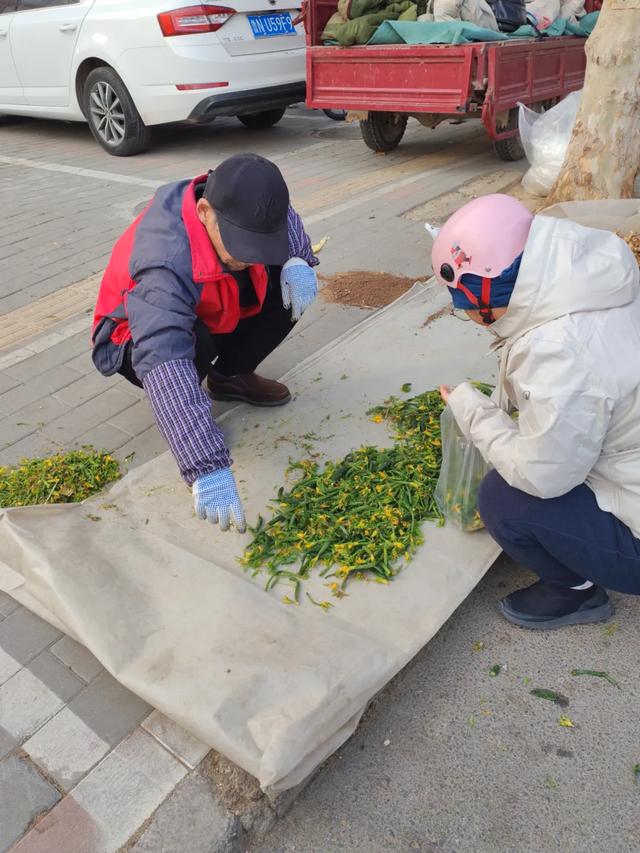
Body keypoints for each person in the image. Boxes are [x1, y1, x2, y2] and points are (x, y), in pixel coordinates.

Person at [431, 193, 640, 630]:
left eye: (466, 308)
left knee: (502, 498)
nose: (470, 317)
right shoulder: (594, 277)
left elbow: (544, 476)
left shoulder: (558, 350)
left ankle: (576, 592)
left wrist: (472, 411)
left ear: (485, 295)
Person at [92, 153, 318, 534]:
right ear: (204, 212)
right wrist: (204, 462)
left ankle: (229, 377)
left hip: (207, 298)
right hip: (132, 337)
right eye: (240, 243)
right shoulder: (164, 260)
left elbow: (281, 217)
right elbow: (163, 354)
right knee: (192, 345)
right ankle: (188, 411)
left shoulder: (243, 200)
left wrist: (297, 257)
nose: (248, 257)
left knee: (287, 291)